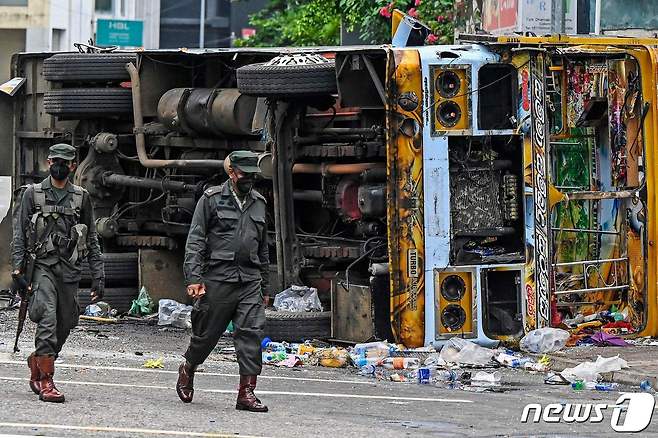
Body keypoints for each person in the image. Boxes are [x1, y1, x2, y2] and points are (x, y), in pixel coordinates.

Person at [11, 143, 104, 403]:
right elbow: (19, 234)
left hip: (70, 269)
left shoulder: (81, 197)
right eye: (54, 161)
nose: (59, 166)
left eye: (65, 162)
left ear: (73, 166)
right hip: (42, 267)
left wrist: (98, 273)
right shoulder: (33, 194)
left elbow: (92, 237)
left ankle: (39, 361)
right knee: (48, 319)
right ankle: (46, 380)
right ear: (48, 163)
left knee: (66, 323)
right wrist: (17, 269)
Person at [177, 150, 269, 412]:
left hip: (249, 279)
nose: (249, 179)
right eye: (244, 174)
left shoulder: (259, 202)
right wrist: (194, 277)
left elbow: (263, 248)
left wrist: (265, 286)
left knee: (251, 333)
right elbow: (195, 240)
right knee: (206, 335)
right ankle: (189, 366)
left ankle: (246, 393)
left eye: (253, 175)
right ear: (232, 173)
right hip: (218, 277)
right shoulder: (211, 199)